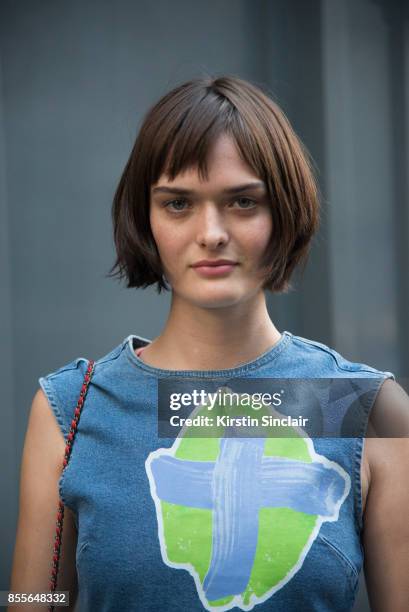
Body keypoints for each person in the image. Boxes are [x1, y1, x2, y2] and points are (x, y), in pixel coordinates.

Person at [9, 75, 409, 612]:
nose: (211, 231)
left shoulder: (365, 409)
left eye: (243, 202)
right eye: (178, 204)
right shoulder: (71, 409)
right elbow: (34, 600)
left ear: (284, 210)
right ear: (145, 219)